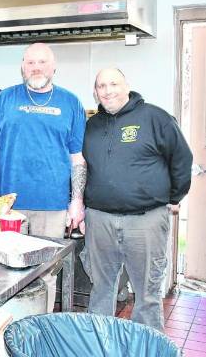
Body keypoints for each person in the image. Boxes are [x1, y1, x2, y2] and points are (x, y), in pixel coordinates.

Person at [0, 43, 87, 314]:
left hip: (53, 207)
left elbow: (77, 159)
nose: (36, 67)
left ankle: (41, 333)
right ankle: (7, 331)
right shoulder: (4, 100)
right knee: (4, 273)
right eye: (30, 63)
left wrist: (77, 202)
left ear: (53, 66)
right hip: (9, 207)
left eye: (42, 62)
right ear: (22, 67)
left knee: (46, 275)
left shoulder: (71, 103)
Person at [82, 68, 192, 331]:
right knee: (101, 289)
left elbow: (182, 160)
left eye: (114, 84)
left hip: (146, 222)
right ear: (95, 92)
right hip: (99, 220)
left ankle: (147, 346)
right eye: (101, 86)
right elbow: (82, 166)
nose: (108, 90)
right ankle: (97, 345)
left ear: (127, 85)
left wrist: (174, 196)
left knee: (147, 294)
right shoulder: (91, 125)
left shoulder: (156, 118)